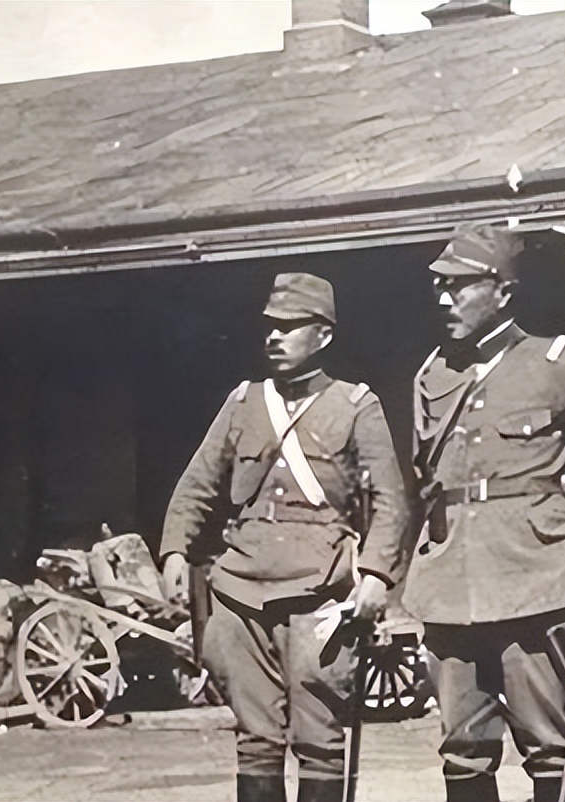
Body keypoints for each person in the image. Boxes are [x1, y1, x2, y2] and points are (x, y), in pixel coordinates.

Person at [159, 273, 408, 802]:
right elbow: (198, 480)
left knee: (319, 736)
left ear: (324, 334)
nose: (274, 336)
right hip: (242, 587)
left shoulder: (356, 404)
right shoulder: (245, 401)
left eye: (290, 327)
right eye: (270, 326)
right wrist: (176, 547)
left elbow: (391, 500)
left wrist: (377, 574)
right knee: (255, 738)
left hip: (319, 591)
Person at [401, 222, 565, 802]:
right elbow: (425, 476)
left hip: (536, 581)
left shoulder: (557, 363)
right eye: (439, 287)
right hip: (452, 583)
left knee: (550, 743)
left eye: (462, 286)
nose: (446, 299)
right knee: (463, 747)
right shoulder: (433, 374)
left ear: (502, 291)